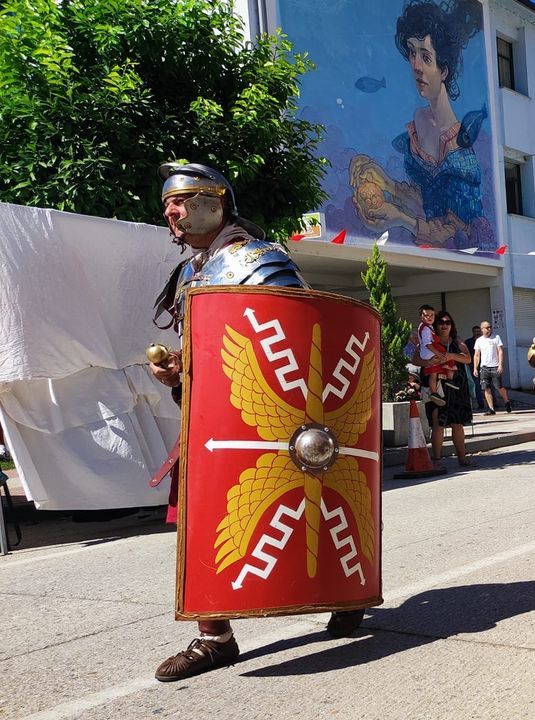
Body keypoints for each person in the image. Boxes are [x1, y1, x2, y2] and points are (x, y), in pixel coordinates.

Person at [147, 163, 363, 682]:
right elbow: (208, 349)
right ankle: (214, 637)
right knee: (201, 520)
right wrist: (176, 368)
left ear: (214, 201)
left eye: (180, 201)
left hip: (276, 422)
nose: (171, 213)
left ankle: (348, 593)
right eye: (167, 205)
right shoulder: (188, 275)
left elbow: (301, 337)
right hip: (212, 421)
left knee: (317, 506)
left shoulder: (259, 262)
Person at [348, 0, 492, 250]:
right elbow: (421, 196)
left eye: (425, 57)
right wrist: (383, 181)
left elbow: (455, 235)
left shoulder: (461, 155)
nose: (415, 66)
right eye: (412, 52)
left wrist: (399, 219)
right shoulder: (419, 119)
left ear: (444, 70)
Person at [427, 311, 476, 467]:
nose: (444, 325)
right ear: (435, 325)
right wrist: (427, 361)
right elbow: (414, 358)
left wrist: (451, 356)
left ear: (452, 325)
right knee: (438, 422)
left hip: (457, 388)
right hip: (438, 388)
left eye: (447, 322)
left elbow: (468, 358)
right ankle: (436, 460)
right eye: (441, 322)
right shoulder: (428, 342)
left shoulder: (457, 341)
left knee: (457, 422)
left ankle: (462, 457)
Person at [411, 304, 451, 406]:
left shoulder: (427, 327)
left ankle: (436, 391)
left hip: (427, 354)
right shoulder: (425, 329)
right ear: (421, 316)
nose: (429, 317)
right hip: (429, 353)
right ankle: (439, 388)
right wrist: (438, 353)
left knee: (434, 373)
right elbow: (428, 343)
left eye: (431, 315)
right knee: (446, 360)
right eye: (426, 315)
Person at [472, 321, 511, 414]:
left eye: (490, 327)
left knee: (499, 387)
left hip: (495, 367)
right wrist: (475, 368)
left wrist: (500, 364)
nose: (489, 329)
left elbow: (500, 351)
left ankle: (507, 401)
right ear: (482, 329)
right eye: (486, 327)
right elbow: (476, 355)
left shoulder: (496, 337)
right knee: (486, 388)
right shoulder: (479, 340)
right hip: (484, 368)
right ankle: (491, 408)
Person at [464, 324, 484, 408]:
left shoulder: (485, 341)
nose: (478, 333)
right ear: (473, 332)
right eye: (476, 332)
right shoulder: (468, 342)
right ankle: (481, 403)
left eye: (479, 331)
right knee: (477, 385)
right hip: (473, 366)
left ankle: (494, 403)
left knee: (489, 386)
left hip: (484, 366)